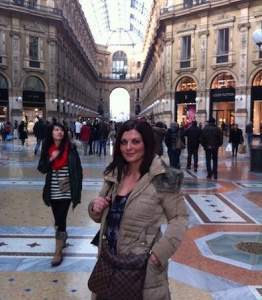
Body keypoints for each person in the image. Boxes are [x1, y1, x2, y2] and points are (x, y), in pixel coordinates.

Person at [88, 119, 189, 300]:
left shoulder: (163, 177)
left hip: (140, 266)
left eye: (135, 141)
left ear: (147, 143)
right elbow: (99, 213)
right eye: (124, 142)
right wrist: (95, 207)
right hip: (108, 263)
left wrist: (159, 254)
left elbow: (179, 218)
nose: (129, 147)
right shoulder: (114, 174)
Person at [37, 122, 82, 267]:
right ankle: (62, 237)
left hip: (68, 189)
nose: (60, 132)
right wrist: (51, 159)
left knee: (61, 217)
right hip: (53, 189)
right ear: (51, 133)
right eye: (56, 130)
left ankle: (58, 251)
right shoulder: (47, 148)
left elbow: (78, 169)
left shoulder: (71, 148)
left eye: (61, 130)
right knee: (57, 219)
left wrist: (78, 188)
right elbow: (42, 169)